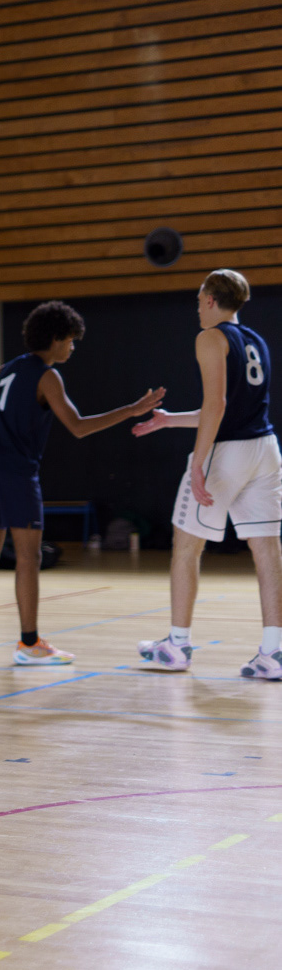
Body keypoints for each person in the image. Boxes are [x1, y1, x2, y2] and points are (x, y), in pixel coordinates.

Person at [0, 301, 163, 665]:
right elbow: (78, 427)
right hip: (16, 473)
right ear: (54, 338)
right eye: (70, 340)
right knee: (29, 556)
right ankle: (29, 643)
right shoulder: (47, 376)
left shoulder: (10, 368)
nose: (73, 347)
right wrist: (131, 410)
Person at [132, 269, 282, 678]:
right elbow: (230, 409)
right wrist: (169, 420)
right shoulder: (255, 340)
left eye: (199, 300)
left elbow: (216, 406)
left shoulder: (210, 337)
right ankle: (274, 652)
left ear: (212, 300)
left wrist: (198, 464)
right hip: (265, 450)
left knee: (186, 545)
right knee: (267, 549)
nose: (197, 308)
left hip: (228, 452)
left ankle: (177, 646)